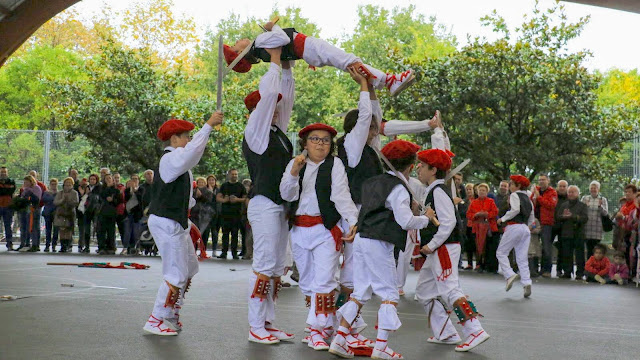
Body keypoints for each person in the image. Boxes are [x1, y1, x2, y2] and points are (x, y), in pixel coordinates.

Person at [334, 66, 436, 349]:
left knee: (358, 286)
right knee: (371, 285)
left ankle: (342, 335)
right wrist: (363, 87)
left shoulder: (369, 148)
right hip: (362, 220)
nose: (376, 128)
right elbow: (367, 115)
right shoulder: (353, 146)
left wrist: (373, 89)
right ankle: (375, 344)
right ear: (359, 129)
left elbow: (374, 116)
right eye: (370, 127)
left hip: (366, 220)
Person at [330, 140, 430, 359]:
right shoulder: (399, 189)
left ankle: (340, 339)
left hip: (363, 240)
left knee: (361, 291)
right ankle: (381, 347)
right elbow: (405, 222)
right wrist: (425, 219)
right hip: (379, 242)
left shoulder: (372, 182)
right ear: (411, 166)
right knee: (389, 294)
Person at [143, 111, 224, 336]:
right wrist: (208, 126)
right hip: (167, 222)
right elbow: (192, 153)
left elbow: (186, 198)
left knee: (190, 267)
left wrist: (188, 223)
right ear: (174, 139)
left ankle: (171, 311)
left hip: (176, 221)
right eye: (185, 136)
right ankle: (156, 317)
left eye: (189, 136)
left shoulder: (179, 164)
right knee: (176, 272)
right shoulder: (171, 159)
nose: (189, 140)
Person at [280, 123, 358, 351]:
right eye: (315, 139)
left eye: (325, 140)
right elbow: (287, 193)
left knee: (324, 281)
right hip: (299, 229)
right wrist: (294, 172)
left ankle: (316, 331)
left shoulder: (335, 164)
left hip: (326, 229)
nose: (320, 144)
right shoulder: (295, 163)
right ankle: (328, 326)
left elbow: (341, 194)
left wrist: (353, 220)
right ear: (305, 143)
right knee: (306, 282)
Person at [412, 148, 490, 353]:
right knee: (424, 292)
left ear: (433, 169)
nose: (418, 167)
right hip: (439, 248)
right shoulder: (436, 189)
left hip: (443, 248)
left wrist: (431, 244)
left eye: (422, 164)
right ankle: (446, 332)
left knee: (449, 289)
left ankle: (474, 330)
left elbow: (448, 223)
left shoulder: (438, 191)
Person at [241, 48, 295, 344]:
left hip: (279, 205)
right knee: (263, 265)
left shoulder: (277, 132)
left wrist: (287, 64)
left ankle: (268, 322)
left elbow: (285, 95)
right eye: (270, 107)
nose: (277, 110)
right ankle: (255, 325)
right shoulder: (256, 131)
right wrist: (274, 59)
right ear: (258, 111)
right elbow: (271, 93)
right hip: (263, 204)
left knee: (276, 268)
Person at [225, 18, 415, 97]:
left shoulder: (261, 52)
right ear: (240, 53)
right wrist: (271, 27)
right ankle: (389, 81)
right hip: (307, 47)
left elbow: (286, 60)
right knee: (349, 60)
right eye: (235, 45)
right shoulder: (259, 42)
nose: (238, 40)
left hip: (306, 51)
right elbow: (283, 37)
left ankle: (385, 81)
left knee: (348, 61)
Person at [496, 175, 535, 298]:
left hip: (514, 226)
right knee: (522, 258)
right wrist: (528, 226)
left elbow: (515, 210)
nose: (510, 186)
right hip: (524, 228)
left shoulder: (514, 195)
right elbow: (532, 216)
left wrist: (502, 219)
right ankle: (527, 282)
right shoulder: (528, 199)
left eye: (512, 184)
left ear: (518, 186)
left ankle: (509, 274)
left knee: (501, 252)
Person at [555, 185, 588, 280]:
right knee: (566, 254)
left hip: (578, 233)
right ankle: (567, 271)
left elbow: (585, 218)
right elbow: (558, 217)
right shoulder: (564, 205)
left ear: (578, 193)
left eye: (573, 192)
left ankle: (580, 273)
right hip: (566, 233)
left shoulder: (582, 205)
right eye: (569, 192)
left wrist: (572, 216)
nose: (571, 194)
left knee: (579, 254)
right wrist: (563, 216)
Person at [466, 183, 499, 273]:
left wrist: (487, 214)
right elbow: (469, 214)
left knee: (489, 247)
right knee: (478, 246)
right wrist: (476, 215)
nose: (481, 192)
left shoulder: (491, 201)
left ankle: (489, 266)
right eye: (480, 190)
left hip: (489, 227)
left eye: (483, 190)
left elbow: (495, 212)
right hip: (477, 227)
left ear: (487, 192)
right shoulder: (474, 202)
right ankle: (479, 264)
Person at [531, 174, 558, 278]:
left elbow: (551, 205)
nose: (541, 182)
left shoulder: (552, 192)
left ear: (548, 181)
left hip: (546, 223)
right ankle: (533, 269)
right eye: (539, 180)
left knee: (546, 246)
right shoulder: (536, 190)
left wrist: (539, 197)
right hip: (535, 221)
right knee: (533, 245)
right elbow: (531, 202)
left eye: (543, 180)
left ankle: (546, 269)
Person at [216, 169, 247, 259]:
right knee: (225, 234)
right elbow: (218, 197)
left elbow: (245, 198)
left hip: (237, 214)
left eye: (236, 174)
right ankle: (224, 252)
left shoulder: (241, 186)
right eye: (233, 174)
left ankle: (234, 253)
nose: (234, 176)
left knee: (235, 234)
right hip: (225, 213)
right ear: (229, 175)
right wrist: (224, 200)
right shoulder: (224, 185)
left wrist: (237, 199)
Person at [581, 181, 609, 260]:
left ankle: (595, 267)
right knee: (588, 249)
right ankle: (588, 267)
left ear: (598, 189)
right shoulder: (585, 198)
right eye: (591, 188)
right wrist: (585, 206)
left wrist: (600, 207)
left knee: (596, 250)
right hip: (587, 228)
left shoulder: (603, 199)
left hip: (597, 229)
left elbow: (605, 213)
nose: (593, 190)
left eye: (595, 188)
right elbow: (581, 212)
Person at [54, 177, 79, 253]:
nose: (67, 186)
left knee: (68, 230)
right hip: (61, 213)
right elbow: (55, 202)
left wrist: (69, 201)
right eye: (66, 184)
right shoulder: (60, 193)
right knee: (62, 230)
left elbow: (76, 202)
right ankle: (62, 246)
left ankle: (68, 245)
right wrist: (62, 200)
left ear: (72, 185)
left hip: (70, 214)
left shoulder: (74, 193)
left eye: (69, 184)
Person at [97, 174, 121, 255]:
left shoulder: (116, 190)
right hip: (102, 212)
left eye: (110, 178)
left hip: (112, 213)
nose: (108, 180)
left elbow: (118, 201)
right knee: (101, 231)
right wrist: (107, 188)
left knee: (111, 231)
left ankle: (111, 247)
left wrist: (112, 199)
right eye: (106, 179)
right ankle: (101, 247)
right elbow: (101, 197)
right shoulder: (101, 189)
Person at [18, 175, 42, 252]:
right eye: (24, 182)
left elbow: (37, 199)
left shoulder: (36, 188)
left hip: (33, 210)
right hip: (25, 210)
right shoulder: (24, 189)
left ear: (31, 181)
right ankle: (24, 243)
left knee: (34, 227)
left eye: (27, 182)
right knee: (24, 227)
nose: (25, 183)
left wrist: (30, 193)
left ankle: (35, 244)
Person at [78, 174, 102, 253]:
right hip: (87, 210)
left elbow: (98, 198)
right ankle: (86, 246)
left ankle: (100, 246)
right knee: (86, 230)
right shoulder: (87, 187)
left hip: (96, 211)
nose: (92, 181)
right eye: (91, 179)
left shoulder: (99, 187)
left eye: (94, 179)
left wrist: (89, 193)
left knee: (97, 229)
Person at [552, 180, 569, 277]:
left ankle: (560, 269)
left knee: (562, 248)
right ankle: (545, 269)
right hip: (552, 224)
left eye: (564, 186)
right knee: (546, 246)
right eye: (560, 186)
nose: (562, 188)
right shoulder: (553, 196)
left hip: (564, 227)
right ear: (557, 187)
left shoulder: (569, 198)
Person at [123, 176, 144, 254]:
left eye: (136, 179)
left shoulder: (141, 189)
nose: (134, 181)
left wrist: (135, 190)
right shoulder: (127, 190)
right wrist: (131, 191)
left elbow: (141, 198)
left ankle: (138, 248)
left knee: (137, 231)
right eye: (133, 179)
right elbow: (125, 198)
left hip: (137, 214)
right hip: (128, 213)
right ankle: (126, 247)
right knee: (127, 231)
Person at [201, 175, 219, 254]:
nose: (211, 182)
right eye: (210, 180)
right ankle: (203, 250)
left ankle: (214, 250)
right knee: (205, 232)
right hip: (206, 213)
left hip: (216, 213)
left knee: (215, 232)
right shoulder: (204, 190)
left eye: (213, 180)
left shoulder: (218, 190)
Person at [0, 167, 17, 250]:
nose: (3, 173)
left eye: (5, 172)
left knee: (8, 225)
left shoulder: (11, 181)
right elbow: (6, 191)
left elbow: (11, 191)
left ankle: (9, 243)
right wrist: (6, 190)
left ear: (7, 173)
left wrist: (3, 190)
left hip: (8, 206)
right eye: (2, 172)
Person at [460, 183, 476, 270]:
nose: (469, 191)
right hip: (467, 225)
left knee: (476, 244)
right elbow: (462, 213)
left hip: (476, 225)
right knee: (468, 244)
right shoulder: (464, 201)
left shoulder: (477, 200)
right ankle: (469, 263)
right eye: (467, 189)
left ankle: (478, 263)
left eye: (470, 189)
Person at [42, 178, 59, 252]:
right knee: (48, 230)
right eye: (52, 184)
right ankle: (47, 245)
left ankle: (54, 245)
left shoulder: (59, 193)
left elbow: (59, 201)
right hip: (48, 213)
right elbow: (44, 200)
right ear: (50, 185)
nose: (53, 186)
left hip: (56, 213)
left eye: (55, 184)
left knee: (56, 230)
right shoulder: (46, 193)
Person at [113, 172, 127, 251]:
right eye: (115, 178)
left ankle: (124, 246)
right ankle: (113, 246)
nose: (117, 179)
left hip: (121, 211)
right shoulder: (110, 188)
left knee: (122, 229)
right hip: (112, 211)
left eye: (118, 178)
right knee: (111, 230)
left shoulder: (122, 187)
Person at [241, 178, 253, 260]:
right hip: (247, 216)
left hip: (254, 216)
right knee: (248, 236)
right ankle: (248, 253)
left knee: (252, 237)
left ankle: (251, 253)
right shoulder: (247, 195)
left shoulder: (254, 193)